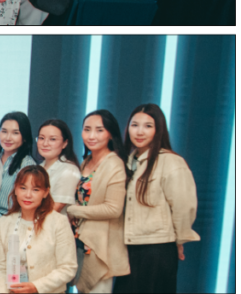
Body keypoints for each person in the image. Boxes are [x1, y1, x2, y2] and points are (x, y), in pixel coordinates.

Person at [116, 105, 199, 294]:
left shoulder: (171, 162)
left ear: (158, 129)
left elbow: (184, 207)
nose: (139, 131)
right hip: (128, 247)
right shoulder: (129, 161)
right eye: (134, 125)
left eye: (148, 126)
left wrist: (179, 241)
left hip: (156, 249)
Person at [66, 110, 129, 293]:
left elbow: (113, 209)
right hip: (80, 242)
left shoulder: (114, 164)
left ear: (110, 134)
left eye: (99, 130)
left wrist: (73, 211)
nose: (91, 135)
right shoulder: (86, 162)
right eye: (87, 129)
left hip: (102, 246)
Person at [0, 166, 78, 293]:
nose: (28, 195)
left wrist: (36, 287)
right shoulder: (4, 222)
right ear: (15, 189)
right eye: (23, 188)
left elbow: (68, 267)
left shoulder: (58, 222)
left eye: (35, 189)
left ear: (46, 192)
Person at [0, 112, 37, 228]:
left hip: (10, 225)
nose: (8, 138)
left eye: (15, 133)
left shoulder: (27, 165)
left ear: (25, 137)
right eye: (4, 131)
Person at [36, 119, 81, 213]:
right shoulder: (38, 167)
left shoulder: (69, 170)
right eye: (41, 138)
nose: (45, 143)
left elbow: (56, 208)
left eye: (53, 139)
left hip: (51, 225)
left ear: (65, 143)